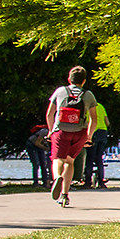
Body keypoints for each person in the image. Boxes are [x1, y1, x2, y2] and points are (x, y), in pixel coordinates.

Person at [44, 67, 98, 207]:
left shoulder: (60, 91)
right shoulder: (88, 95)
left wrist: (51, 131)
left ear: (69, 79)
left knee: (58, 159)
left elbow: (50, 113)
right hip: (79, 132)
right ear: (84, 81)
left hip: (61, 130)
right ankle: (64, 194)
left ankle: (57, 178)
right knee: (70, 161)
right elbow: (94, 119)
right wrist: (89, 136)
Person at [84, 94, 111, 190]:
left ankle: (87, 182)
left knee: (90, 158)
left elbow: (87, 122)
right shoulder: (101, 106)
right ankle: (101, 181)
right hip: (103, 132)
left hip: (93, 132)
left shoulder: (87, 107)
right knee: (99, 158)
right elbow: (107, 122)